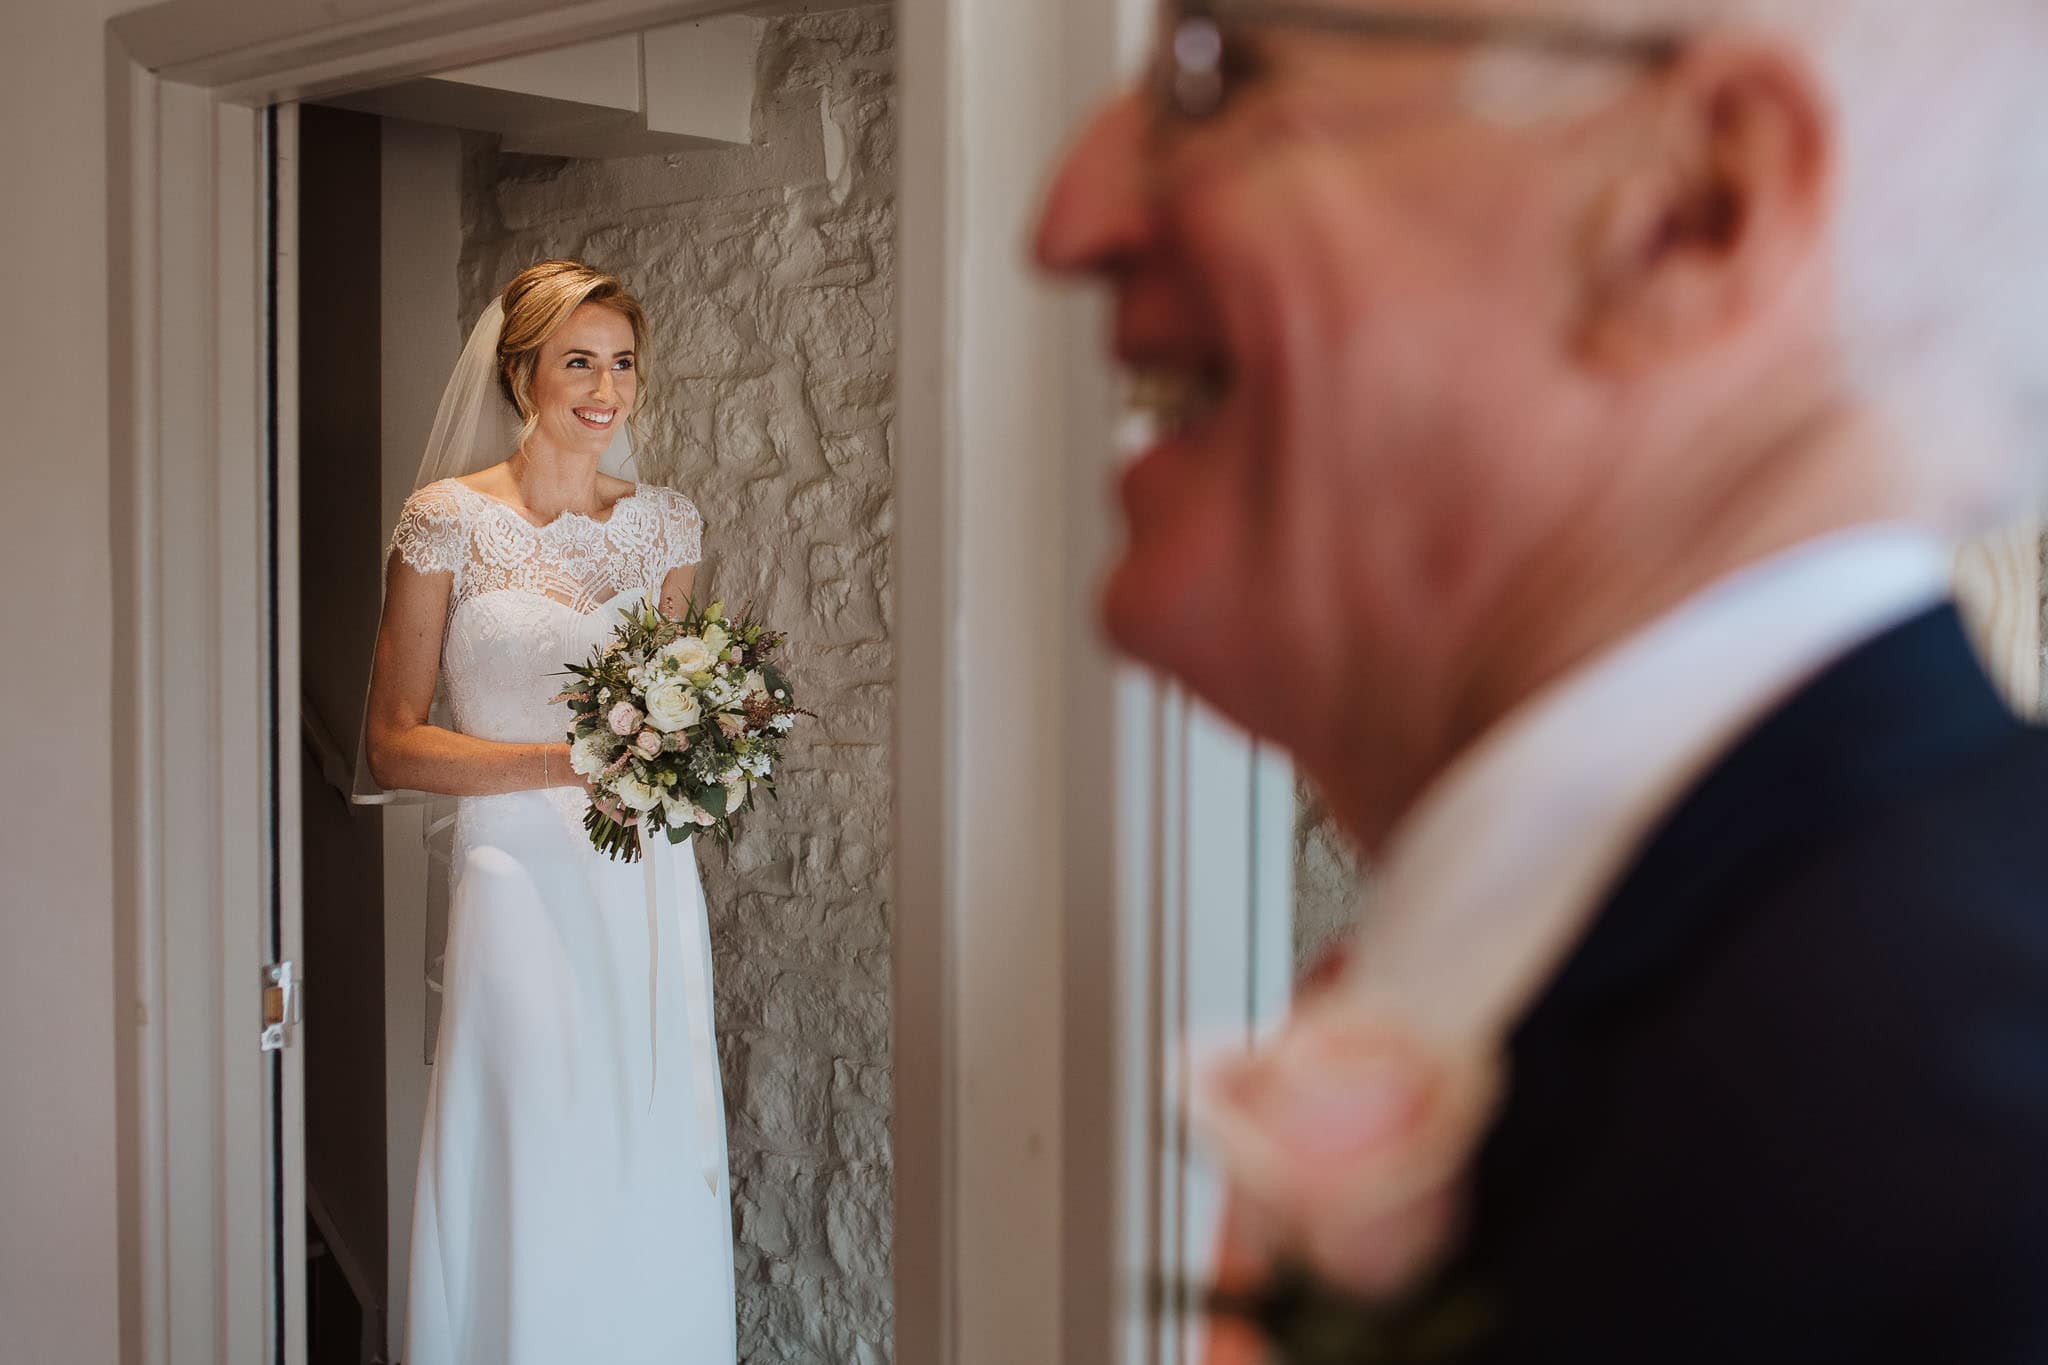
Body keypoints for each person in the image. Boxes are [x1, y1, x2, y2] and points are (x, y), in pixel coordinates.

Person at [1036, 1, 2048, 1360]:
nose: (1070, 220)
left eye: (1217, 73)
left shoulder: (1962, 1164)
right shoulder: (1722, 979)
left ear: (1696, 203)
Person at [364, 259, 735, 1363]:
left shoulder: (665, 525)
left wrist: (703, 743)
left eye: (622, 363)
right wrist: (567, 758)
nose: (604, 388)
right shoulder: (445, 520)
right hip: (514, 879)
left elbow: (681, 706)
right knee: (530, 1130)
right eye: (578, 360)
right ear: (521, 370)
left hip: (645, 883)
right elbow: (392, 739)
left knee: (648, 1133)